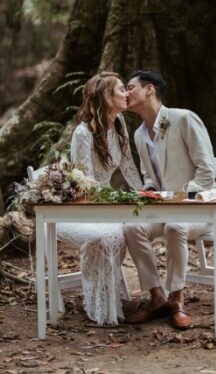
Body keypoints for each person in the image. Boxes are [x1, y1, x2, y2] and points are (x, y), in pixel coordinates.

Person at [123, 70, 216, 330]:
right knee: (131, 227)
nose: (125, 93)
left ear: (149, 89)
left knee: (176, 226)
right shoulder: (139, 135)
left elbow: (207, 171)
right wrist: (149, 190)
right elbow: (148, 176)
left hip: (198, 209)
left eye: (130, 87)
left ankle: (177, 298)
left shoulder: (184, 119)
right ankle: (157, 297)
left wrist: (181, 198)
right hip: (163, 211)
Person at [60, 72, 144, 326]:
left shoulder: (119, 124)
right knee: (111, 235)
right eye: (121, 90)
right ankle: (100, 305)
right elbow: (85, 184)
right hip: (85, 205)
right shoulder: (83, 134)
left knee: (124, 231)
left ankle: (107, 300)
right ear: (107, 97)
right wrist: (116, 199)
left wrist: (145, 193)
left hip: (108, 202)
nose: (127, 93)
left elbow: (128, 165)